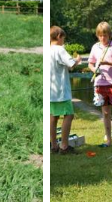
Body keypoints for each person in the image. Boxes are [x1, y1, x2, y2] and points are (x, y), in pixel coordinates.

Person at [49, 26, 80, 155]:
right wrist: (77, 60)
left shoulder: (48, 50)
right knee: (69, 115)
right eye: (63, 38)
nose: (64, 41)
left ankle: (53, 145)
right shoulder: (59, 50)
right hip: (61, 91)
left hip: (50, 91)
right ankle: (64, 146)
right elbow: (71, 63)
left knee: (53, 117)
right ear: (58, 37)